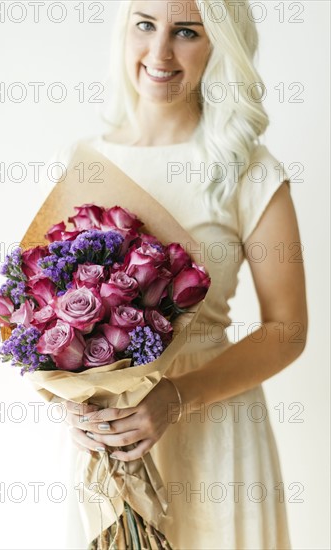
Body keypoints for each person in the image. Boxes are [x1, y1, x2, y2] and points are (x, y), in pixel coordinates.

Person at [63, 0, 308, 548]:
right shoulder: (85, 161)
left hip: (218, 432)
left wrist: (175, 398)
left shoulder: (249, 168)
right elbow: (47, 320)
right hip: (110, 448)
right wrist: (69, 406)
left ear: (218, 44)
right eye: (145, 24)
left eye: (186, 32)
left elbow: (288, 329)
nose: (159, 52)